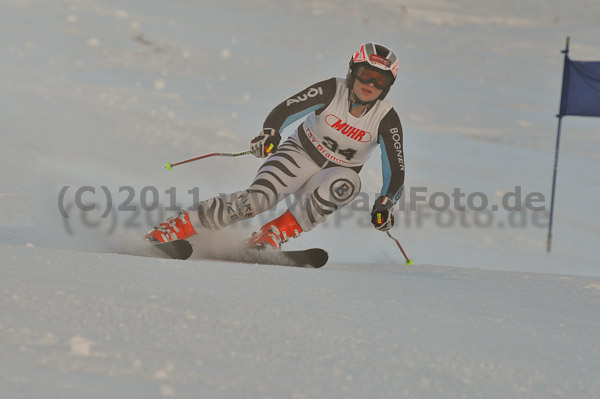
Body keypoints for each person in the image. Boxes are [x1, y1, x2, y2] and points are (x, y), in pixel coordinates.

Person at [145, 42, 405, 250]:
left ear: (387, 87)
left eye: (380, 81)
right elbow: (286, 110)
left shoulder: (386, 118)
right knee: (259, 200)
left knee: (348, 184)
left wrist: (385, 203)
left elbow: (395, 169)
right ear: (353, 71)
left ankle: (271, 235)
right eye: (366, 75)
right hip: (299, 154)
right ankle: (177, 227)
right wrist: (269, 135)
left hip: (332, 175)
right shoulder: (331, 89)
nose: (370, 85)